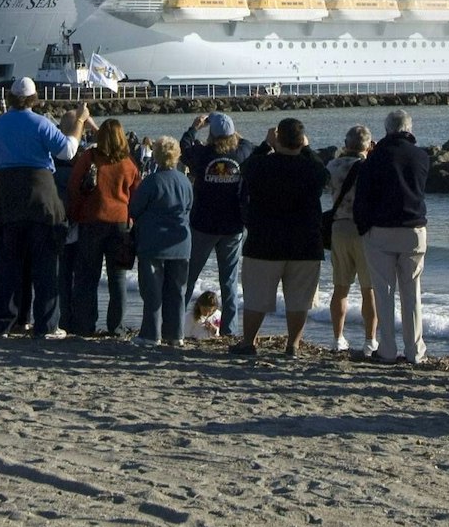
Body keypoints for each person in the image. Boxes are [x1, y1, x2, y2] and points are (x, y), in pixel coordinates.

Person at [0, 79, 83, 340]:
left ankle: (4, 323)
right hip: (41, 199)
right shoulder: (41, 123)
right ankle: (46, 325)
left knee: (9, 264)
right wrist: (79, 122)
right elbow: (68, 152)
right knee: (45, 264)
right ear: (34, 98)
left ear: (10, 98)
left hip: (9, 198)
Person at [232, 118, 328, 358]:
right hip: (305, 242)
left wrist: (266, 144)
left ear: (278, 139)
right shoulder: (311, 169)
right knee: (299, 300)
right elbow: (323, 173)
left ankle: (248, 342)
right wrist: (306, 148)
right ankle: (293, 345)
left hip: (264, 241)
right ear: (300, 141)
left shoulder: (262, 166)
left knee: (256, 296)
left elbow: (245, 166)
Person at [354, 109, 431, 365]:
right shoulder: (421, 156)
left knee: (383, 293)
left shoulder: (374, 160)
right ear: (409, 129)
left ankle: (387, 348)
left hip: (381, 230)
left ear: (387, 129)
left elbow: (362, 199)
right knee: (412, 293)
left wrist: (363, 226)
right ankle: (415, 350)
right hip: (413, 229)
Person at [68, 118, 142, 336]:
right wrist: (132, 220)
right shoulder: (128, 164)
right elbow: (136, 194)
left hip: (91, 221)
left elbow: (73, 186)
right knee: (117, 278)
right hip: (119, 223)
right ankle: (116, 327)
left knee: (87, 277)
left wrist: (77, 211)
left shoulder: (89, 158)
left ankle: (85, 325)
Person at [182, 113, 252, 339]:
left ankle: (175, 322)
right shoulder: (242, 153)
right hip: (232, 226)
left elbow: (184, 148)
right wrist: (233, 133)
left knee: (188, 276)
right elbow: (250, 145)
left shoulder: (203, 154)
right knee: (229, 281)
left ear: (211, 133)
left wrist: (194, 127)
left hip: (203, 224)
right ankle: (230, 330)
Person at [130, 136, 194, 348]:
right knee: (177, 291)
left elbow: (135, 209)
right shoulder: (185, 181)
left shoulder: (152, 181)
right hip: (180, 243)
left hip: (153, 242)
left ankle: (151, 334)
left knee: (152, 291)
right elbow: (188, 208)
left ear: (156, 156)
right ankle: (175, 334)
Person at [325, 125, 378, 357]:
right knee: (370, 289)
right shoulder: (371, 167)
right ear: (368, 145)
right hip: (365, 229)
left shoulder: (333, 166)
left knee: (341, 287)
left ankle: (338, 338)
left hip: (339, 226)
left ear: (346, 144)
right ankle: (370, 340)